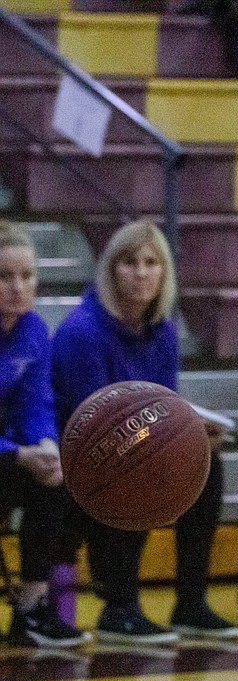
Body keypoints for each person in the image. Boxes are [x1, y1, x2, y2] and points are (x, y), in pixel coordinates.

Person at [51, 220, 238, 643]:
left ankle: (190, 602)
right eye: (130, 263)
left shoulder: (164, 334)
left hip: (131, 445)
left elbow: (166, 406)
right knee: (136, 467)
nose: (141, 273)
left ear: (164, 273)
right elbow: (91, 425)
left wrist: (192, 434)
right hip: (78, 459)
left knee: (206, 466)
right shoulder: (81, 332)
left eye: (151, 263)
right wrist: (156, 440)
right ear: (110, 270)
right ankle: (119, 607)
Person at [0, 221, 90, 648]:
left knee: (54, 479)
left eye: (27, 276)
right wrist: (17, 454)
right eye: (4, 276)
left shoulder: (34, 331)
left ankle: (32, 607)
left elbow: (36, 403)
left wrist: (46, 445)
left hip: (6, 454)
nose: (18, 287)